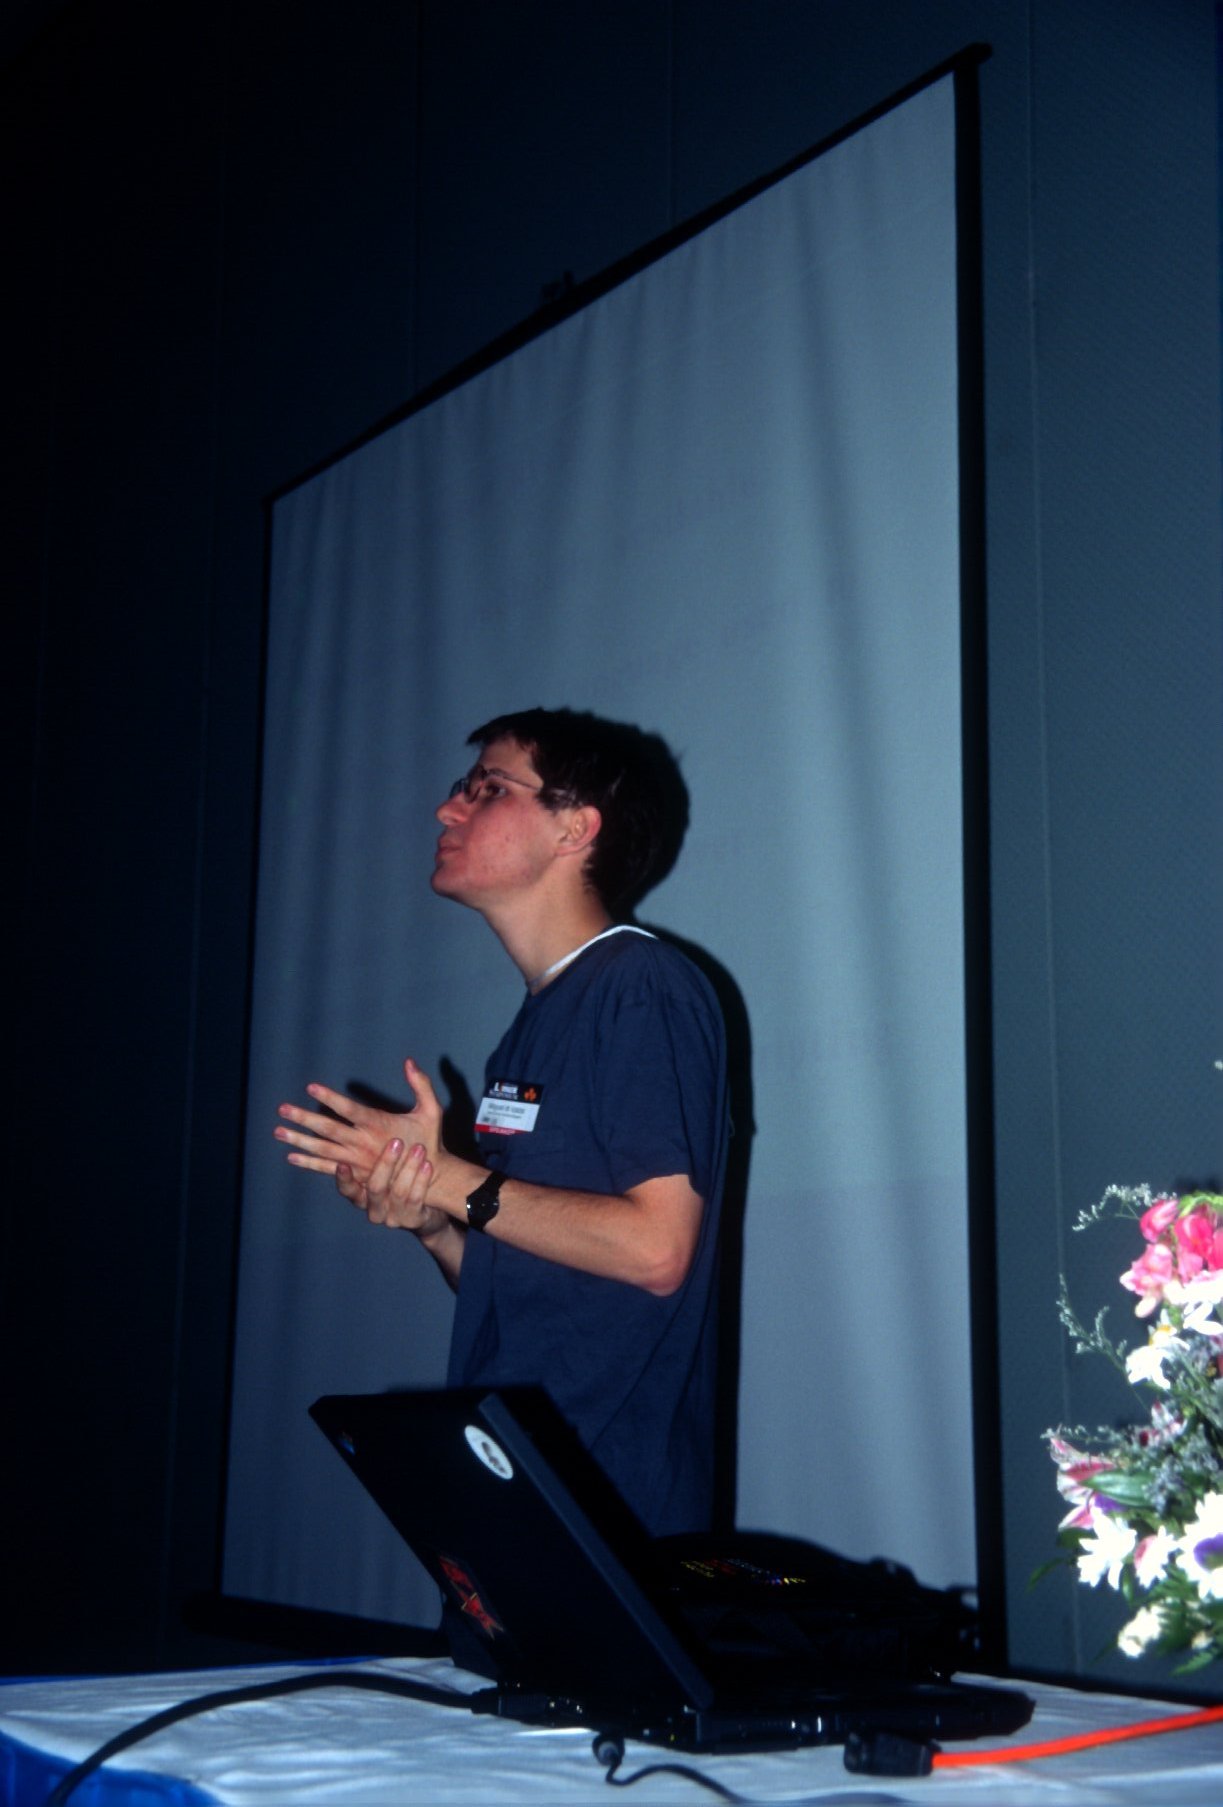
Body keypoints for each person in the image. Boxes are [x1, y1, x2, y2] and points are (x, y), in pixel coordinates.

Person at [275, 707, 728, 1536]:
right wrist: (430, 1219)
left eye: (487, 788)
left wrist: (453, 1179)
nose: (448, 808)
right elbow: (524, 1269)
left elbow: (655, 1250)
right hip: (512, 1481)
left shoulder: (641, 985)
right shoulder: (529, 1027)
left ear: (573, 828)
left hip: (610, 1509)